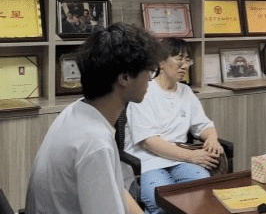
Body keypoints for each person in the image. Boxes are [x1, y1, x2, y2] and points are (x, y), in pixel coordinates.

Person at [25, 23, 164, 214]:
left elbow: (114, 189)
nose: (150, 79)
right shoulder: (95, 142)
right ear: (124, 77)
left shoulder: (77, 111)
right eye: (148, 70)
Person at [125, 37, 225, 214]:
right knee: (162, 201)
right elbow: (149, 142)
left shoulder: (185, 91)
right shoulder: (143, 91)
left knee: (204, 192)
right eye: (179, 59)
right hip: (149, 162)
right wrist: (192, 156)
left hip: (180, 160)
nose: (184, 65)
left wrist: (212, 138)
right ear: (161, 62)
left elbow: (203, 125)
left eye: (187, 60)